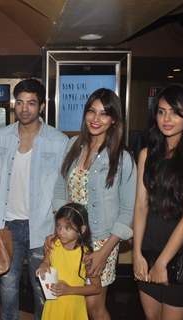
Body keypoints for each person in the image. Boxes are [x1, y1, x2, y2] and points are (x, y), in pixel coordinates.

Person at [0, 78, 68, 320]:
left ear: (41, 106)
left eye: (31, 103)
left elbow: (63, 188)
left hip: (43, 228)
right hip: (8, 226)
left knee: (44, 289)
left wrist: (60, 229)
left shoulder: (58, 140)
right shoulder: (1, 136)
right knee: (7, 288)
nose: (24, 108)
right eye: (20, 102)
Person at [52, 88, 137, 320]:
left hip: (101, 241)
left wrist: (104, 252)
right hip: (70, 238)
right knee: (70, 299)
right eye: (91, 111)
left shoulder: (122, 158)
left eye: (103, 113)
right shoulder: (72, 145)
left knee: (94, 306)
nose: (96, 119)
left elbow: (128, 210)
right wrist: (59, 231)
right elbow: (60, 189)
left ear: (114, 120)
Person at [133, 85, 183, 319]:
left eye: (175, 112)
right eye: (161, 111)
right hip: (148, 251)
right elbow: (140, 206)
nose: (166, 118)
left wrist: (163, 262)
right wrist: (137, 253)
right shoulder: (147, 154)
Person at [37, 203, 102, 320]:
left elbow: (96, 288)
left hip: (74, 308)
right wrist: (43, 265)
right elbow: (46, 261)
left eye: (67, 228)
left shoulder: (86, 256)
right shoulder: (53, 245)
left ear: (82, 230)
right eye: (58, 226)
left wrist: (69, 290)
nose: (61, 232)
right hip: (53, 306)